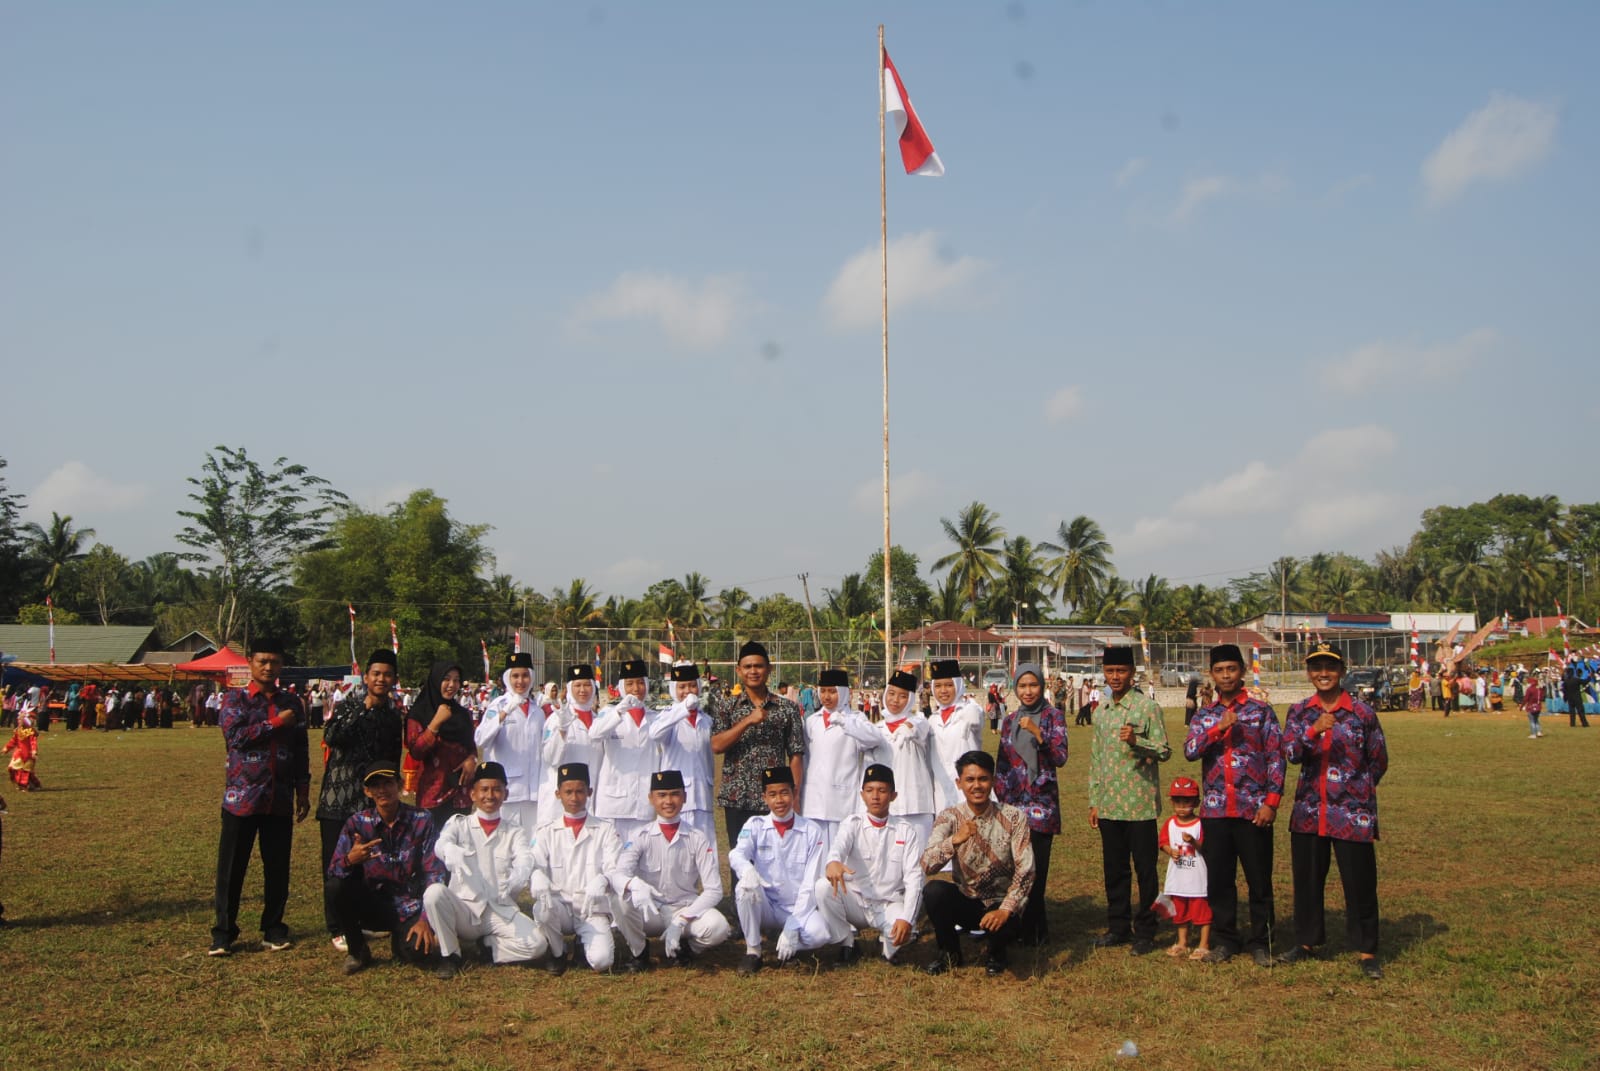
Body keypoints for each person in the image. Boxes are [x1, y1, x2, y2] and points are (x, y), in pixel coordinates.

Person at [1279, 643, 1389, 980]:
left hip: (1351, 814)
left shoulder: (1362, 713)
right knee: (1308, 880)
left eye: (1329, 667)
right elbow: (1290, 752)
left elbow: (1378, 760)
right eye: (1316, 667)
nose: (1323, 673)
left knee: (1359, 883)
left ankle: (1367, 950)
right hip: (1310, 812)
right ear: (1308, 672)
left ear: (1341, 670)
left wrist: (1357, 792)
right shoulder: (1300, 712)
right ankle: (1307, 942)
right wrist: (1314, 730)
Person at [1182, 643, 1283, 967]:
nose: (1226, 675)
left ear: (1242, 671)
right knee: (1220, 880)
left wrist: (1271, 802)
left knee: (1259, 879)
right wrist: (1218, 729)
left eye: (1232, 669)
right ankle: (1226, 939)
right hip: (1216, 810)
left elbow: (1276, 758)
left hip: (1253, 811)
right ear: (1212, 674)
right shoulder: (1205, 715)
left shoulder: (1260, 711)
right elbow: (1191, 750)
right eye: (1220, 670)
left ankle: (1261, 941)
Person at [209, 638, 310, 956]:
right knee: (231, 869)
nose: (268, 667)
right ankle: (224, 932)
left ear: (282, 666)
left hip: (279, 797)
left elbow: (301, 749)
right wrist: (276, 723)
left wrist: (303, 789)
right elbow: (236, 737)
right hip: (242, 799)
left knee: (278, 867)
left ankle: (274, 928)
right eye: (262, 660)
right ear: (250, 663)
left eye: (275, 662)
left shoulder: (294, 702)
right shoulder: (235, 699)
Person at [422, 761, 549, 979]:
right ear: (472, 794)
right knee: (433, 894)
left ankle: (490, 948)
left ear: (506, 794)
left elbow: (524, 857)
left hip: (498, 909)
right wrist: (449, 849)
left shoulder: (514, 831)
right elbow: (441, 844)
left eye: (497, 789)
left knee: (538, 945)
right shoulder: (459, 823)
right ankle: (451, 954)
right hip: (464, 908)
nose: (490, 795)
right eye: (484, 789)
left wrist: (520, 872)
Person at [316, 649, 405, 952]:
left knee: (367, 861)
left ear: (394, 679)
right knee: (335, 862)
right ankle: (337, 926)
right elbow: (333, 736)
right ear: (366, 677)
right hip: (338, 798)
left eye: (387, 674)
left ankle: (361, 918)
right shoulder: (347, 706)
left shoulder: (393, 715)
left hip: (371, 802)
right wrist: (361, 710)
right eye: (376, 674)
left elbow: (393, 754)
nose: (381, 679)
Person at [325, 759, 446, 974]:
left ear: (399, 785)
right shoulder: (357, 823)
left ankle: (401, 942)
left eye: (388, 783)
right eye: (375, 786)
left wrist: (425, 920)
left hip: (409, 905)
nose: (382, 790)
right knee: (335, 887)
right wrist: (350, 860)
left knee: (419, 953)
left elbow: (433, 872)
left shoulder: (421, 819)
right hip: (372, 902)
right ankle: (357, 950)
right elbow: (333, 870)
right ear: (367, 792)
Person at [920, 750, 1034, 976]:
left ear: (993, 781)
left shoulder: (1013, 817)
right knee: (934, 892)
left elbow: (1026, 869)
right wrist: (954, 840)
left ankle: (997, 953)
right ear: (959, 783)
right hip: (967, 898)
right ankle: (949, 953)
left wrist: (1005, 909)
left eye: (983, 779)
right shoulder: (949, 817)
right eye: (970, 780)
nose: (977, 786)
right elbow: (927, 864)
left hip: (999, 902)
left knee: (1009, 918)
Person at [1087, 645, 1170, 956]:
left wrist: (1138, 741)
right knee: (1115, 870)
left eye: (1121, 671)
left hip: (1139, 805)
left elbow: (1163, 750)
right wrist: (1094, 801)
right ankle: (1118, 926)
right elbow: (1096, 759)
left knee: (1145, 871)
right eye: (1110, 671)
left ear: (1132, 673)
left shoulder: (1147, 708)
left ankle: (1146, 930)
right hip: (1109, 805)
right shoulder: (1102, 711)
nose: (1115, 677)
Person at [610, 769, 731, 970]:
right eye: (662, 795)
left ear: (684, 797)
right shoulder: (640, 835)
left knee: (719, 928)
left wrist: (683, 919)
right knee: (618, 901)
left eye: (675, 794)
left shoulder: (697, 837)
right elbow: (618, 875)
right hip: (651, 911)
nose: (668, 801)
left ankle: (687, 949)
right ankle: (639, 952)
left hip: (685, 908)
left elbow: (714, 890)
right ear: (651, 798)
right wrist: (634, 884)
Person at [816, 763, 926, 965]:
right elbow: (838, 848)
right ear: (862, 794)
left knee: (907, 930)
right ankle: (847, 942)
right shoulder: (852, 823)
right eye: (869, 790)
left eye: (882, 791)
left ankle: (886, 943)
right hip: (856, 901)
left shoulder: (905, 830)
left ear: (893, 796)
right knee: (822, 887)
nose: (875, 796)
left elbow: (914, 878)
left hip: (889, 903)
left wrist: (907, 919)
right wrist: (833, 862)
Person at [728, 766, 830, 976]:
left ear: (794, 793)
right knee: (744, 888)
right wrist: (747, 869)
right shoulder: (755, 825)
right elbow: (736, 854)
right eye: (772, 794)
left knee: (820, 935)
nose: (779, 800)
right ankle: (753, 951)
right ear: (764, 797)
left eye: (784, 792)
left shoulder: (812, 830)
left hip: (797, 906)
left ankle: (787, 943)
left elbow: (810, 884)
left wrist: (793, 925)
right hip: (766, 905)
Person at [994, 662, 1067, 946]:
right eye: (1022, 686)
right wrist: (1001, 802)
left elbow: (1060, 757)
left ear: (1042, 685)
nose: (1027, 691)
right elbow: (1002, 764)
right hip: (1013, 806)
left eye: (1033, 685)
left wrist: (1038, 734)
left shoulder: (1053, 717)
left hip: (1041, 807)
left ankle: (1036, 930)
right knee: (1015, 869)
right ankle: (1021, 926)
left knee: (1035, 870)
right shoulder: (1010, 720)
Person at [527, 761, 623, 975]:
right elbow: (534, 862)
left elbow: (613, 866)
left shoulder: (605, 829)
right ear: (557, 793)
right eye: (568, 791)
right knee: (541, 909)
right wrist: (536, 875)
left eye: (580, 791)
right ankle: (558, 951)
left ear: (589, 792)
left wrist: (604, 879)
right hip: (559, 906)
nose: (574, 797)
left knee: (602, 961)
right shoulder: (546, 831)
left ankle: (582, 944)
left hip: (592, 908)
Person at [710, 640, 806, 850]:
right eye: (748, 666)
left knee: (775, 863)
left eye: (759, 666)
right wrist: (747, 721)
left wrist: (794, 796)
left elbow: (796, 754)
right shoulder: (727, 706)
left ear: (768, 669)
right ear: (739, 670)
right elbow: (716, 745)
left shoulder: (787, 708)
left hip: (774, 798)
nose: (753, 671)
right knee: (739, 861)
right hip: (737, 798)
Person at [799, 668, 881, 855]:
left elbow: (874, 738)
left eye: (832, 691)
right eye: (823, 690)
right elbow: (806, 758)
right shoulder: (812, 721)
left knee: (841, 852)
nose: (827, 696)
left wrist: (845, 723)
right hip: (814, 798)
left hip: (842, 798)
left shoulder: (856, 718)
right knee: (815, 853)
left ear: (843, 691)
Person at [474, 651, 550, 833]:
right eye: (515, 676)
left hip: (533, 792)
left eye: (525, 675)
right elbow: (480, 739)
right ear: (507, 678)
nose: (520, 681)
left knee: (531, 845)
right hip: (507, 791)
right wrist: (504, 713)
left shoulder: (537, 711)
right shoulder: (498, 705)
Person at [590, 659, 660, 844]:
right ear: (621, 687)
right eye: (629, 684)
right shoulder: (609, 713)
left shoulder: (655, 718)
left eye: (640, 682)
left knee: (641, 862)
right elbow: (594, 734)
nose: (636, 688)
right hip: (613, 803)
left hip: (644, 803)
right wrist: (619, 711)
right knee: (611, 860)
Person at [866, 668, 939, 844]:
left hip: (915, 803)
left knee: (917, 863)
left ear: (910, 700)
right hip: (886, 805)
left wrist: (907, 727)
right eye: (891, 694)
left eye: (902, 696)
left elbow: (915, 728)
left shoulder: (919, 721)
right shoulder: (876, 729)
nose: (895, 700)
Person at [405, 661, 478, 829]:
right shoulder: (419, 714)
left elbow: (471, 746)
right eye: (446, 679)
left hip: (461, 794)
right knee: (432, 846)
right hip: (432, 794)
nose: (452, 685)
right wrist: (435, 724)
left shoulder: (462, 714)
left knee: (459, 847)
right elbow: (416, 751)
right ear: (436, 680)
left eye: (456, 680)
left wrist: (471, 759)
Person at [649, 663, 716, 843]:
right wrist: (683, 709)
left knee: (707, 851)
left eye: (692, 685)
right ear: (674, 689)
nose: (688, 690)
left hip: (702, 796)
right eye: (682, 686)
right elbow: (655, 733)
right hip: (676, 798)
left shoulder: (707, 720)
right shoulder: (667, 716)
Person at [1154, 776, 1210, 959]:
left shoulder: (1200, 823)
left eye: (1187, 802)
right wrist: (1170, 851)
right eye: (1178, 802)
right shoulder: (1170, 823)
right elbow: (1162, 842)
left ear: (1196, 802)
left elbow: (1205, 847)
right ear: (1172, 802)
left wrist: (1193, 841)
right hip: (1178, 878)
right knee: (1180, 912)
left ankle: (1204, 944)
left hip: (1197, 877)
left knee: (1202, 912)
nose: (1182, 806)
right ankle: (1182, 942)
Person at [540, 664, 604, 811]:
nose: (582, 690)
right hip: (563, 799)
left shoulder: (599, 720)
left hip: (591, 795)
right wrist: (562, 730)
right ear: (569, 688)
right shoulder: (557, 718)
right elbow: (550, 758)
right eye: (577, 685)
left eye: (587, 685)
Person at [927, 659, 986, 814]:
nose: (943, 690)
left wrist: (971, 707)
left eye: (949, 685)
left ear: (958, 685)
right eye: (938, 686)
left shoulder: (969, 710)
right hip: (942, 793)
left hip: (969, 790)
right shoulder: (932, 720)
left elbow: (976, 718)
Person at [4, 710, 41, 791]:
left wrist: (34, 751)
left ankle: (26, 785)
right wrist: (7, 748)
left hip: (28, 754)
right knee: (13, 768)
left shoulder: (30, 732)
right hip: (18, 754)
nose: (18, 720)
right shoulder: (18, 730)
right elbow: (14, 741)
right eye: (18, 719)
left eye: (20, 719)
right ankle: (22, 784)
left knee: (25, 771)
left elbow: (33, 742)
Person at [1523, 674, 1545, 738]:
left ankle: (1533, 734)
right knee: (1536, 720)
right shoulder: (1539, 689)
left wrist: (1522, 706)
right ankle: (1539, 732)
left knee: (1532, 721)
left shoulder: (1530, 689)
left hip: (1531, 706)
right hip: (1538, 706)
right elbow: (1541, 697)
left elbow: (1526, 698)